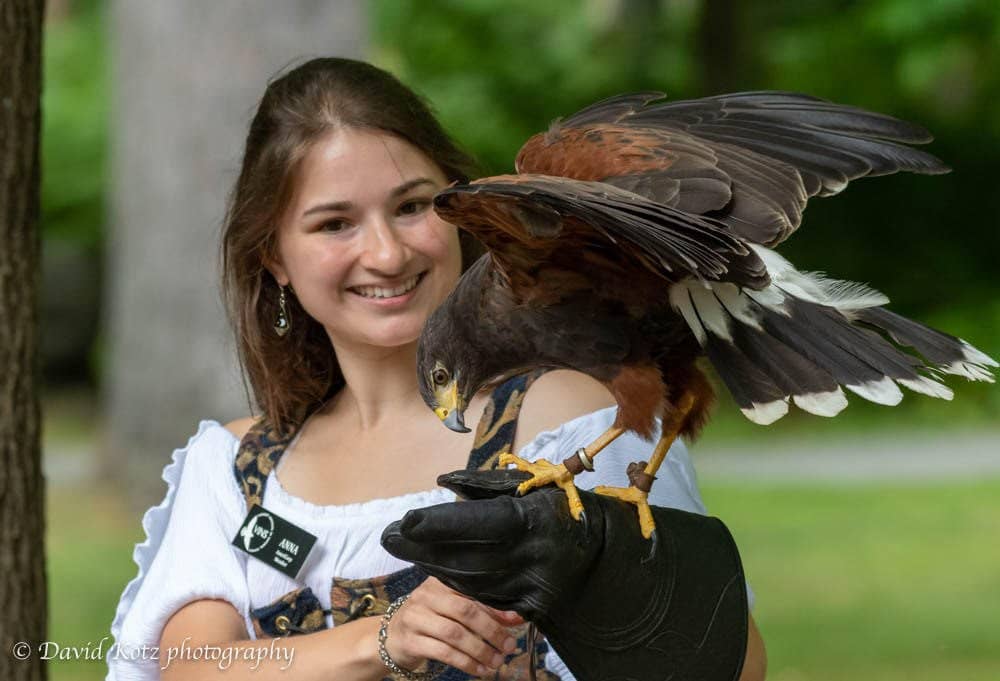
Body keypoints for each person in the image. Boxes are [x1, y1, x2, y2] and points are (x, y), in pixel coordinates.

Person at [106, 57, 767, 681]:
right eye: (335, 223)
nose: (387, 253)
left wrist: (606, 568)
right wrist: (381, 638)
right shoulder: (236, 469)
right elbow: (190, 663)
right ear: (275, 256)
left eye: (411, 205)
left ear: (459, 209)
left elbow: (734, 664)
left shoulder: (571, 420)